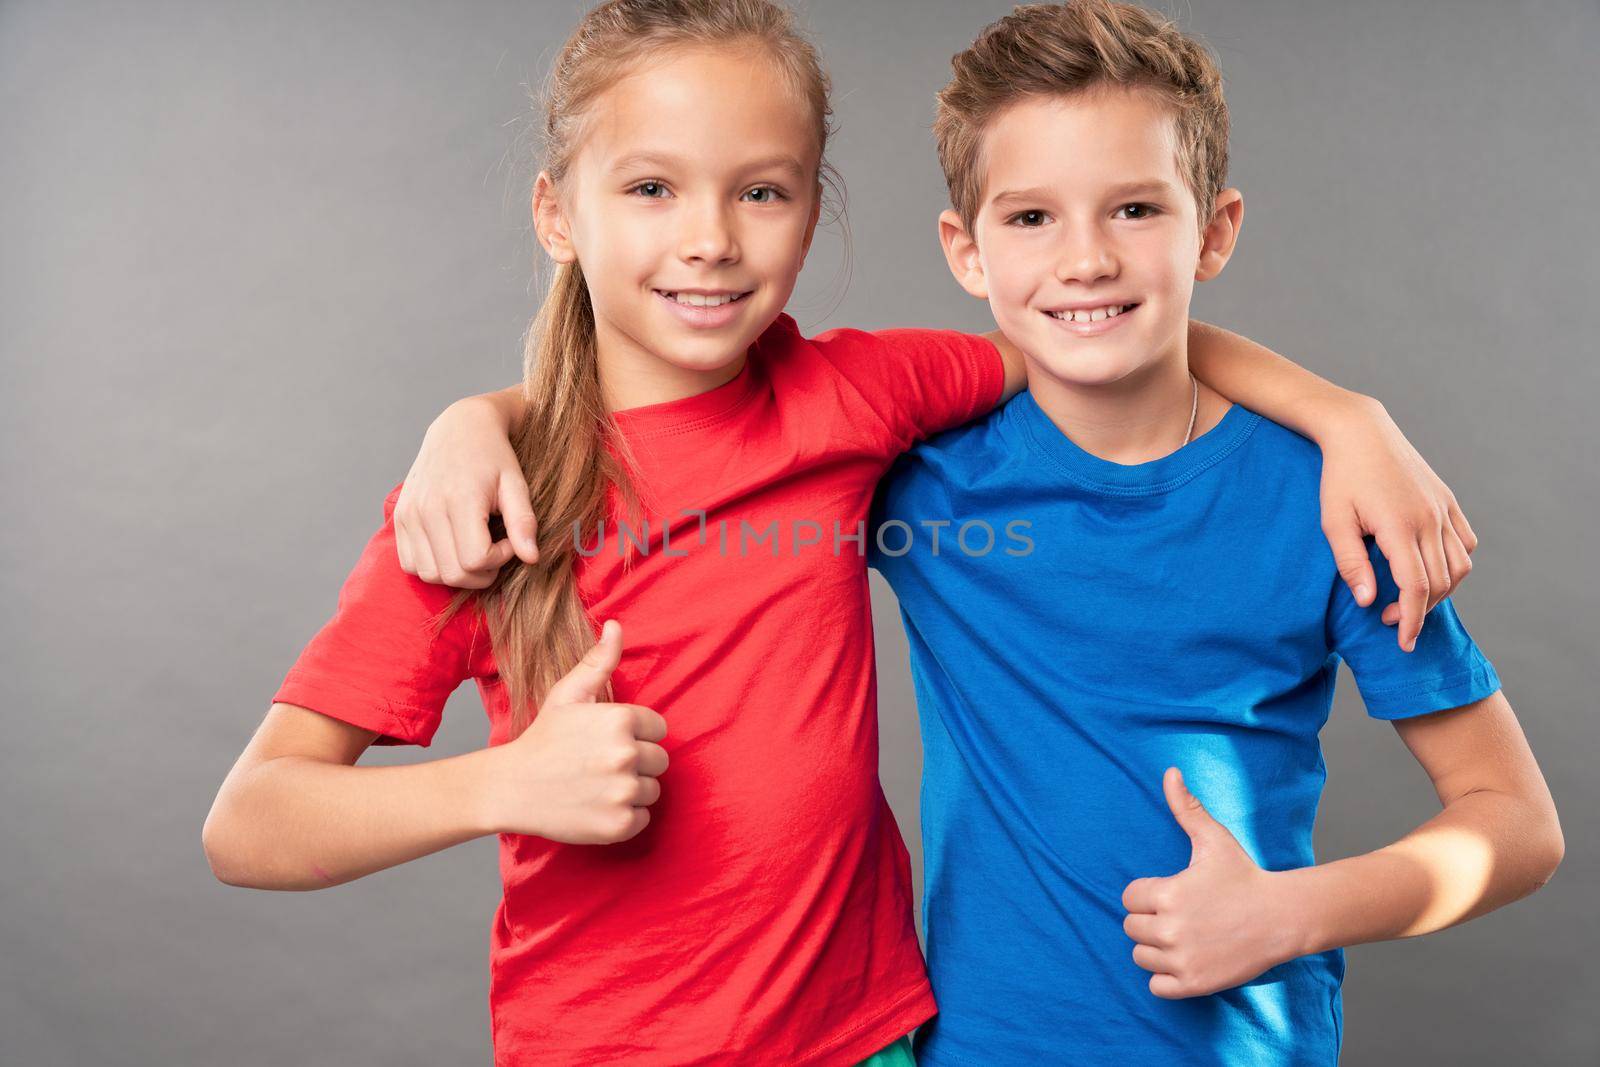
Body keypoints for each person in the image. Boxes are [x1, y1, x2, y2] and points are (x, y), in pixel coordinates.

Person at [209, 1, 1488, 1064]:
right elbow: (252, 821)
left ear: (812, 210)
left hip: (865, 1035)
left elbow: (1087, 329)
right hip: (596, 1044)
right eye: (650, 187)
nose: (707, 237)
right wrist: (498, 782)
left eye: (760, 191)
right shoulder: (481, 504)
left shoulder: (857, 399)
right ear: (558, 212)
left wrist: (1344, 415)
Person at [866, 3, 1561, 1063]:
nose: (1086, 258)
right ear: (966, 250)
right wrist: (506, 416)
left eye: (1136, 207)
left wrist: (1291, 912)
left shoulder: (1328, 505)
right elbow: (688, 430)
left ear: (1216, 230)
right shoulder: (921, 479)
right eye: (1031, 218)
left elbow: (1515, 820)